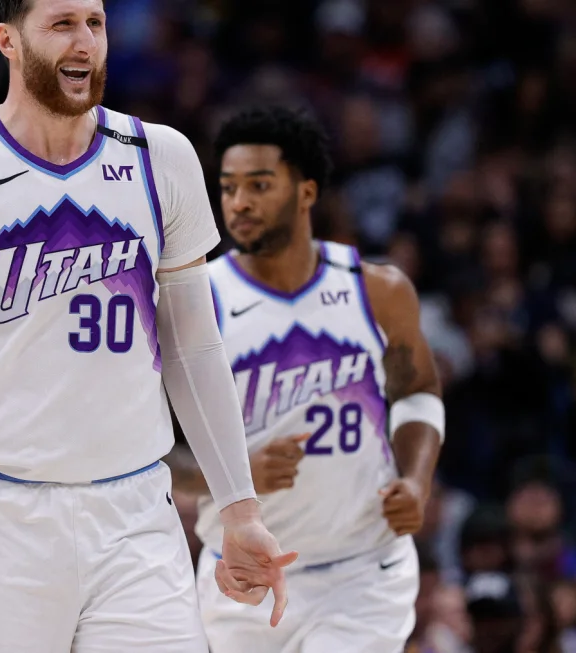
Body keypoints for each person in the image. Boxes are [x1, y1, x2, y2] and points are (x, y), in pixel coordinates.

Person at [0, 0, 295, 650]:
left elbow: (194, 348)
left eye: (94, 23)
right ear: (8, 40)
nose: (84, 42)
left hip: (132, 506)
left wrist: (240, 507)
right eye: (62, 24)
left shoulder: (161, 157)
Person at [167, 105, 444, 652]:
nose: (238, 202)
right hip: (242, 574)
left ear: (307, 193)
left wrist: (416, 478)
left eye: (259, 185)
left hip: (362, 572)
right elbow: (151, 452)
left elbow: (418, 391)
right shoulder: (197, 304)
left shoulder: (378, 291)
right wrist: (234, 476)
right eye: (227, 187)